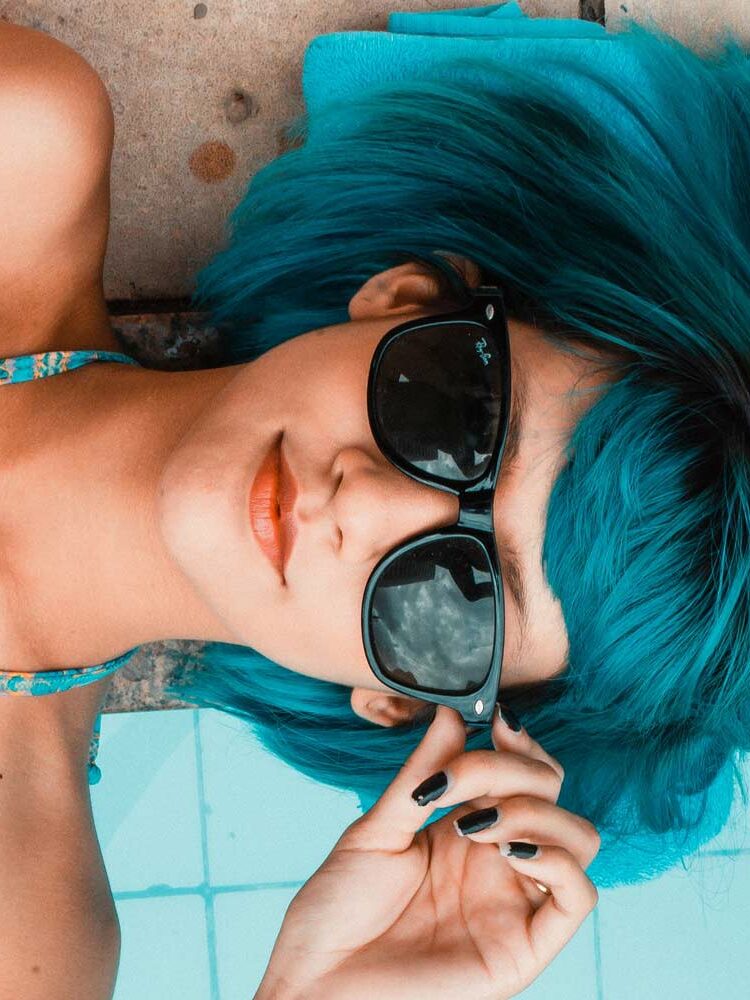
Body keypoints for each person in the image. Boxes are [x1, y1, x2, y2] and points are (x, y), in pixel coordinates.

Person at [0, 9, 746, 995]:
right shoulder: (21, 138)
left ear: (398, 702)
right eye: (454, 413)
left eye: (459, 600)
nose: (365, 504)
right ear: (403, 298)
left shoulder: (31, 930)